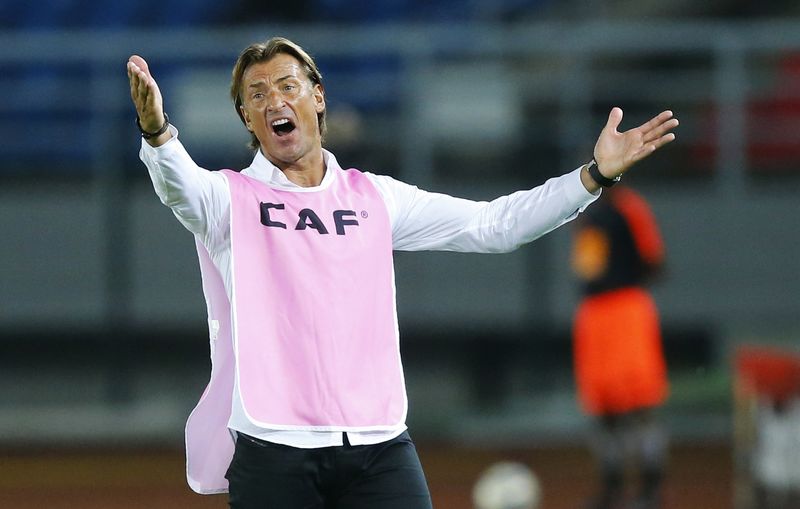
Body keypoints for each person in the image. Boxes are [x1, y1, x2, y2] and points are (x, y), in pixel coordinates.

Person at [127, 36, 678, 509]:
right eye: (257, 94)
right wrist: (158, 134)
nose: (275, 99)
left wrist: (593, 175)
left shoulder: (374, 199)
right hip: (275, 449)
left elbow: (494, 225)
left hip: (379, 446)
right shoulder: (231, 199)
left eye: (288, 85)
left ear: (317, 97)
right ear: (248, 119)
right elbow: (183, 189)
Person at [570, 183, 670, 509]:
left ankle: (651, 490)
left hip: (626, 311)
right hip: (593, 316)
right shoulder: (585, 210)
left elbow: (655, 260)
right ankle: (611, 490)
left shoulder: (630, 207)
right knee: (603, 410)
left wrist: (623, 279)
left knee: (640, 407)